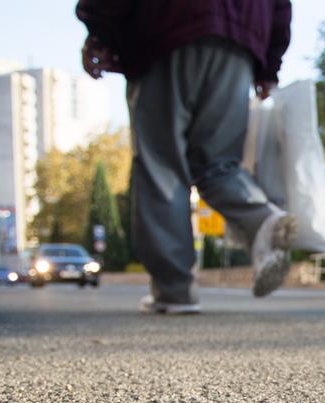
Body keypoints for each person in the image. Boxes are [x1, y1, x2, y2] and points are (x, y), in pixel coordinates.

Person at [76, 0, 296, 315]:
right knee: (220, 165)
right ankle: (262, 218)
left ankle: (174, 290)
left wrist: (99, 33)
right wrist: (269, 64)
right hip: (239, 43)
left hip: (163, 30)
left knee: (160, 166)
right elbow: (280, 6)